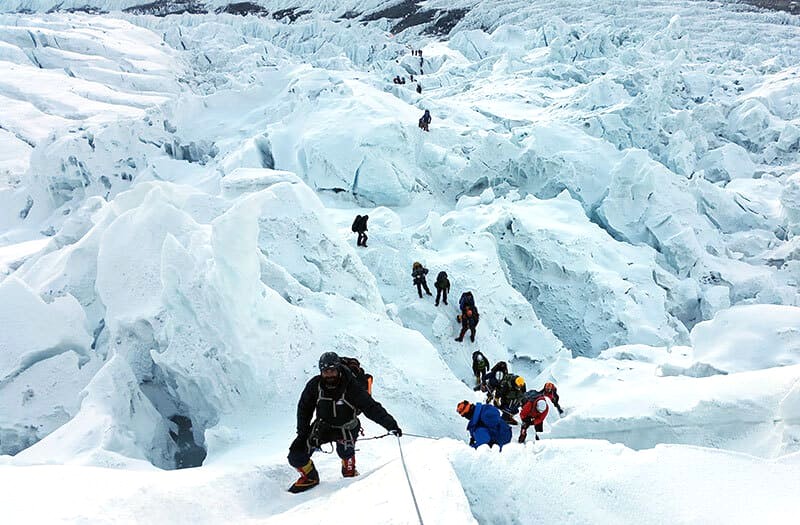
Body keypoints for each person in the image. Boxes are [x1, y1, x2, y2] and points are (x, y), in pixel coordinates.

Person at [287, 352, 402, 493]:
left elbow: (371, 407)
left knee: (346, 454)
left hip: (347, 429)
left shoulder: (351, 386)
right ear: (321, 371)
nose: (329, 374)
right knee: (296, 456)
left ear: (339, 369)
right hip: (322, 428)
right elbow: (304, 409)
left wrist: (391, 425)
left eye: (332, 370)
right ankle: (310, 477)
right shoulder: (314, 385)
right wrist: (302, 434)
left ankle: (350, 472)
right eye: (325, 371)